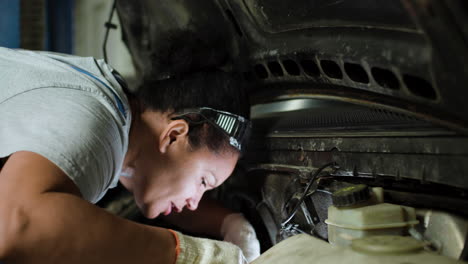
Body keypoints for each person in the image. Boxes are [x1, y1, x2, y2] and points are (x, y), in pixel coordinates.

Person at [0, 47, 260, 263]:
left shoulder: (115, 110)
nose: (194, 202)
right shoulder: (96, 122)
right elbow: (18, 225)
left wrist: (230, 223)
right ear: (173, 135)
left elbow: (164, 196)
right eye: (204, 181)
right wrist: (202, 257)